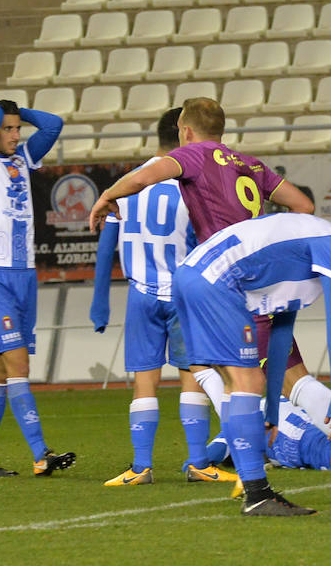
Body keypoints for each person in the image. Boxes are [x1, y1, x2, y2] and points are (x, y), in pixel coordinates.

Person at [88, 97, 331, 508]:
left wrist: (107, 195)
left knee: (227, 378)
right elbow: (303, 206)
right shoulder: (249, 164)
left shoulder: (193, 154)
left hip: (230, 279)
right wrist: (267, 233)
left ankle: (253, 479)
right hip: (260, 278)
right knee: (286, 381)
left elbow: (150, 174)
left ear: (185, 131)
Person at [171, 213, 331, 516]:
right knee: (247, 382)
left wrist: (272, 407)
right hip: (216, 282)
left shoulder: (298, 252)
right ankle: (257, 492)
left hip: (189, 274)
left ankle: (250, 484)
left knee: (219, 376)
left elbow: (280, 334)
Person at [90, 108, 237, 486]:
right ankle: (198, 462)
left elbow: (108, 241)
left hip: (140, 292)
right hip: (182, 294)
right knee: (192, 376)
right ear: (187, 135)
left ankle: (141, 467)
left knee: (144, 381)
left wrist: (100, 301)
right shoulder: (191, 184)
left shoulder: (128, 182)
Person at [0, 99, 76, 477]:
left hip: (25, 275)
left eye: (17, 128)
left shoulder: (24, 157)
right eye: (7, 129)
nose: (15, 135)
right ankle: (42, 453)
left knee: (0, 368)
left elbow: (54, 123)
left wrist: (19, 112)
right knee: (19, 363)